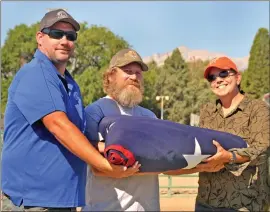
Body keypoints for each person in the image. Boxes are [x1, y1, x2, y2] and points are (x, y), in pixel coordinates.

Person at [1, 9, 139, 211]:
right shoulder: (36, 73)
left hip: (61, 199)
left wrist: (106, 147)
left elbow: (74, 136)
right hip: (35, 200)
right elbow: (59, 126)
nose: (64, 40)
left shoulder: (69, 84)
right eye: (56, 34)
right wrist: (105, 166)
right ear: (40, 38)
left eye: (71, 36)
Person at [166, 56, 270, 211]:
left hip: (245, 203)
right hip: (206, 203)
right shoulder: (207, 111)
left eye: (223, 74)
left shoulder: (257, 108)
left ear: (238, 78)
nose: (218, 80)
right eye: (212, 77)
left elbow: (263, 150)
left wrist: (229, 157)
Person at [83, 48, 161, 211]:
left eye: (138, 73)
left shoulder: (149, 116)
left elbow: (162, 160)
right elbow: (95, 166)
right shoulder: (95, 112)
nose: (134, 77)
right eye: (127, 71)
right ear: (111, 76)